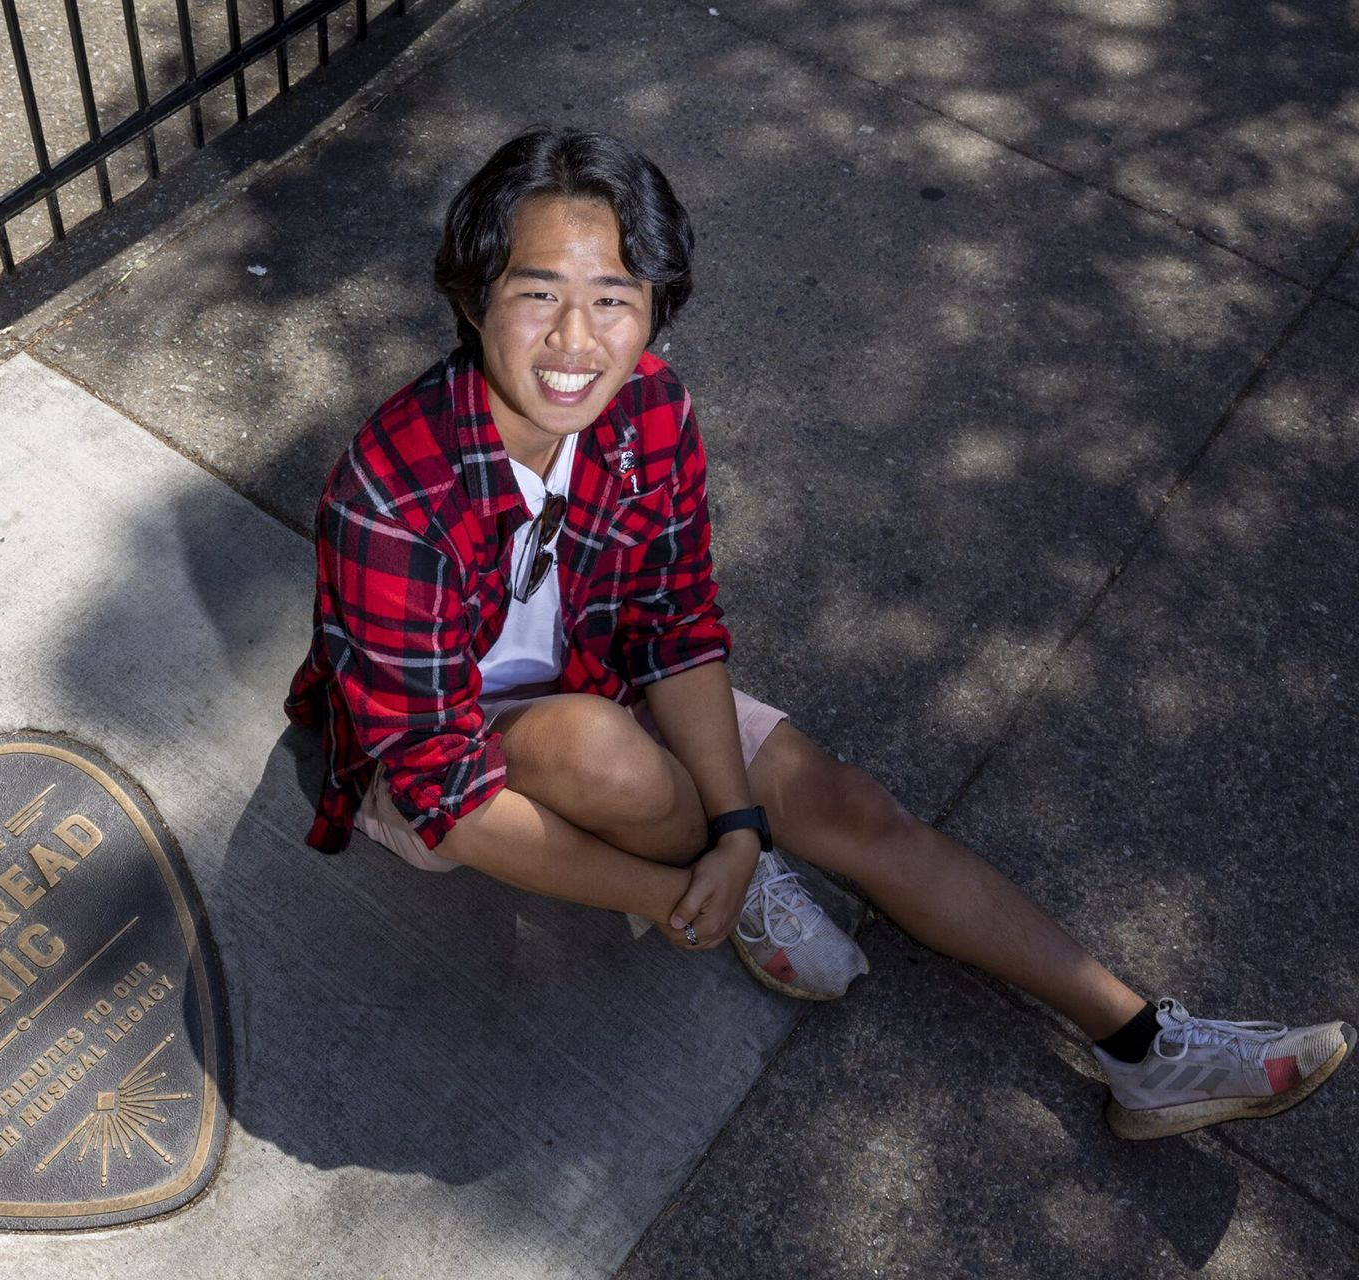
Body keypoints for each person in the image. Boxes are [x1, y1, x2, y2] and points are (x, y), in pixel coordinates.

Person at [283, 127, 1351, 1140]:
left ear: (655, 305)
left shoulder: (649, 405)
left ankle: (1144, 1044)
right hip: (439, 765)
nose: (576, 340)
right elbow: (449, 798)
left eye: (614, 297)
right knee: (603, 754)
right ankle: (716, 877)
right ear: (473, 299)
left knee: (844, 802)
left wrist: (745, 822)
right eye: (538, 294)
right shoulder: (393, 490)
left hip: (596, 673)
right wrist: (680, 891)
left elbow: (677, 621)